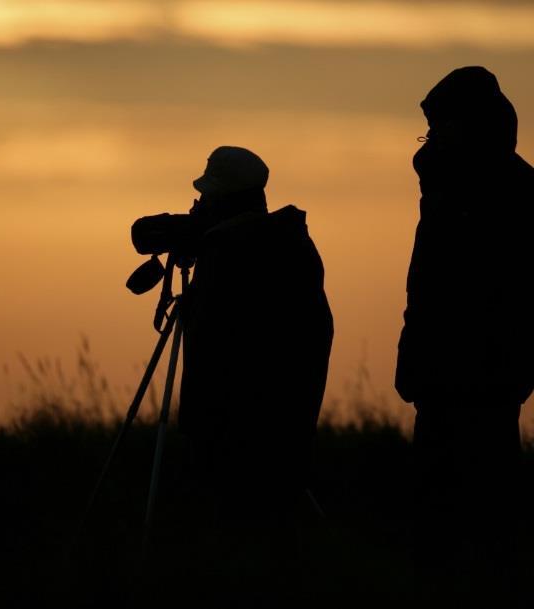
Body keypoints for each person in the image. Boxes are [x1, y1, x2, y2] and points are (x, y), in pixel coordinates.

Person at [395, 66, 534, 608]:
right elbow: (428, 286)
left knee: (486, 510)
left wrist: (514, 370)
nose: (432, 137)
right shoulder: (452, 185)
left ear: (469, 125)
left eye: (442, 124)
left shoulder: (506, 189)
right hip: (444, 372)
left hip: (487, 376)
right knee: (438, 511)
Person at [178, 145, 333, 607]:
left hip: (238, 425)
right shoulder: (289, 243)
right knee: (274, 529)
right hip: (285, 419)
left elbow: (222, 341)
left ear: (226, 199)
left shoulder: (238, 253)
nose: (199, 206)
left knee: (242, 528)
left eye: (207, 197)